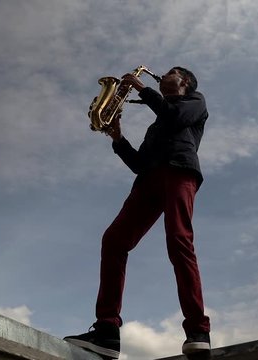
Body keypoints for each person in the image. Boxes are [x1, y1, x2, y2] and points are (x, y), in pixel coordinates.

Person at [64, 66, 211, 358]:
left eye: (169, 73)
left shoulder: (195, 101)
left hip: (179, 172)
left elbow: (175, 116)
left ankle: (198, 330)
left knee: (179, 240)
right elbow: (139, 164)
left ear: (184, 82)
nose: (161, 76)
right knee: (114, 240)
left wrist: (143, 89)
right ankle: (107, 331)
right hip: (148, 181)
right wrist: (117, 138)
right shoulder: (155, 125)